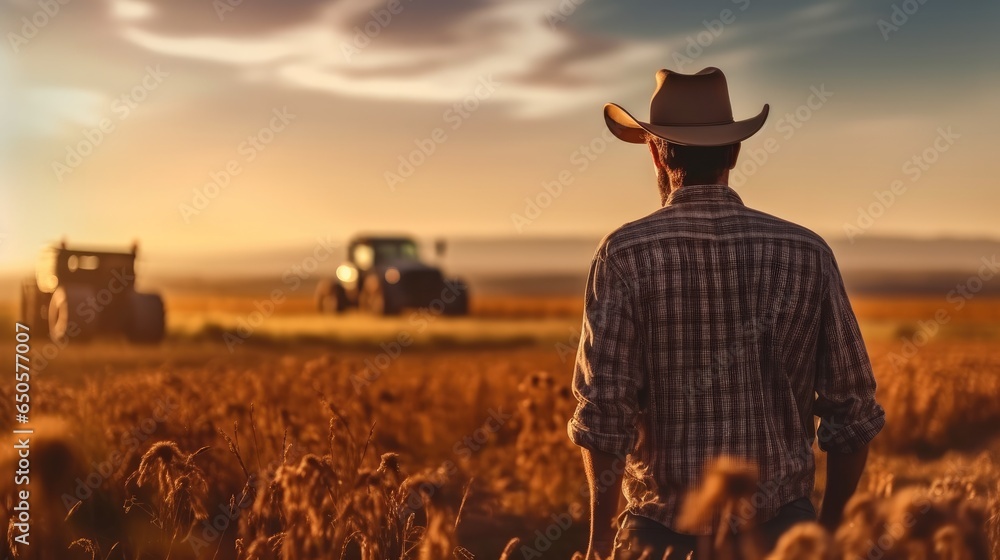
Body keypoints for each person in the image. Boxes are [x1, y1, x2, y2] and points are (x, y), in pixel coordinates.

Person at [567, 67, 885, 559]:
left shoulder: (624, 254)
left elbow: (604, 417)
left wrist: (599, 545)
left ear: (654, 151)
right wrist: (826, 533)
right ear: (734, 152)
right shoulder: (807, 252)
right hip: (781, 536)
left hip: (658, 539)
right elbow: (853, 410)